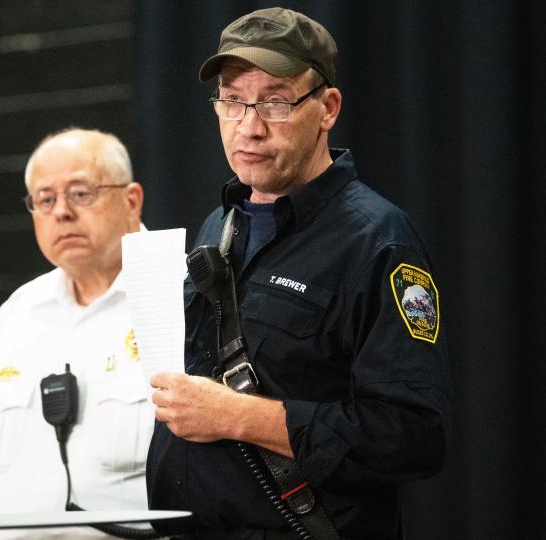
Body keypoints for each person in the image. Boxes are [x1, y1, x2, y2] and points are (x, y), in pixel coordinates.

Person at [146, 7, 453, 539]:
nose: (249, 126)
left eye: (275, 101)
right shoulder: (218, 227)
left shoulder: (377, 241)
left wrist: (238, 416)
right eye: (233, 99)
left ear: (327, 107)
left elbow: (412, 435)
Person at [0, 128, 151, 539]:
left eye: (81, 193)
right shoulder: (11, 320)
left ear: (131, 201)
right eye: (45, 200)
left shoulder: (183, 297)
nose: (61, 212)